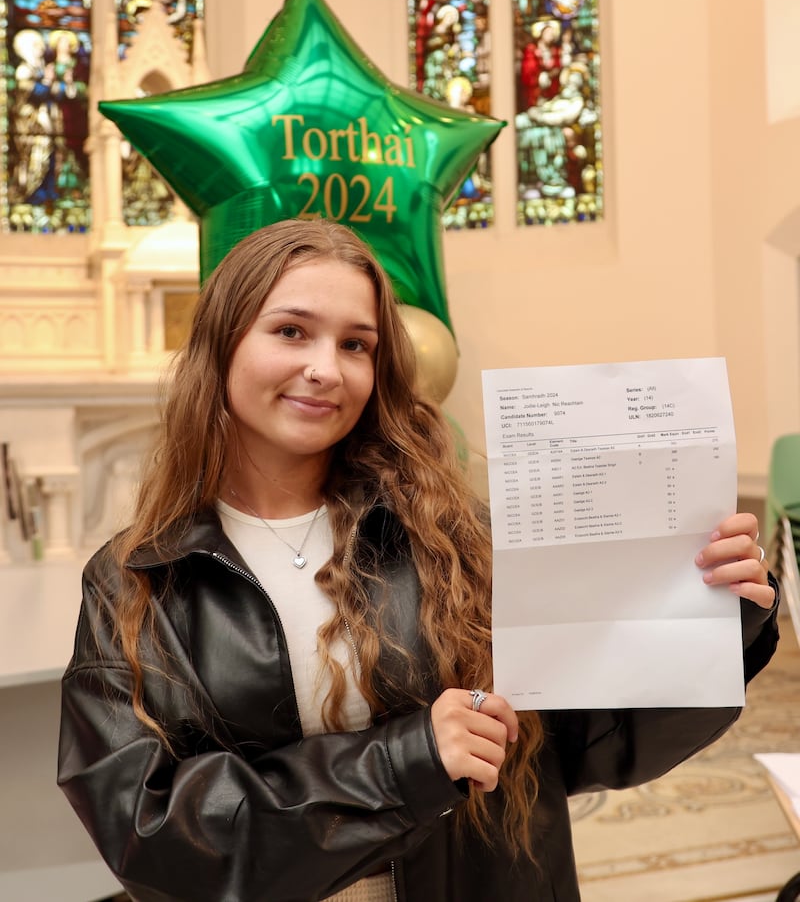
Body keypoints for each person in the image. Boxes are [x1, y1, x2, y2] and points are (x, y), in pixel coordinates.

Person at [58, 218, 780, 902]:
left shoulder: (455, 538)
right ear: (220, 345)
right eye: (290, 331)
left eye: (356, 344)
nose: (324, 368)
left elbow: (589, 742)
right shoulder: (136, 579)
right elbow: (150, 833)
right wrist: (410, 762)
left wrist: (713, 617)